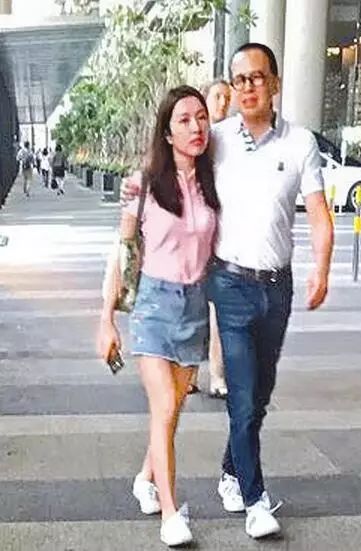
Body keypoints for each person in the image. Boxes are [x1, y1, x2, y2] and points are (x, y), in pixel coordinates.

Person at [122, 43, 334, 540]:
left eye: (258, 78)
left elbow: (319, 213)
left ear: (275, 83)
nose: (248, 87)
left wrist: (321, 269)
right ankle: (254, 500)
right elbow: (169, 151)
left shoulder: (300, 142)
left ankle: (229, 471)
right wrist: (138, 185)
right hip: (228, 284)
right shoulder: (216, 137)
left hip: (277, 287)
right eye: (240, 80)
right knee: (236, 395)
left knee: (257, 396)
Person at [98, 85, 219, 547]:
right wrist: (106, 318)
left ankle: (145, 478)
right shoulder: (143, 183)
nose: (196, 126)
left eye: (201, 117)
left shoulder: (212, 181)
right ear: (167, 133)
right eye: (184, 120)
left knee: (173, 412)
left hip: (195, 305)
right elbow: (123, 251)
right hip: (153, 305)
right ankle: (170, 513)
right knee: (165, 406)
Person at [187, 78, 231, 398]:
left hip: (223, 232)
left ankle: (217, 375)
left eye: (227, 97)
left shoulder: (233, 139)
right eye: (217, 96)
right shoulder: (196, 138)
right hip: (194, 232)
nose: (223, 103)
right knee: (192, 308)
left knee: (217, 310)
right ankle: (189, 373)